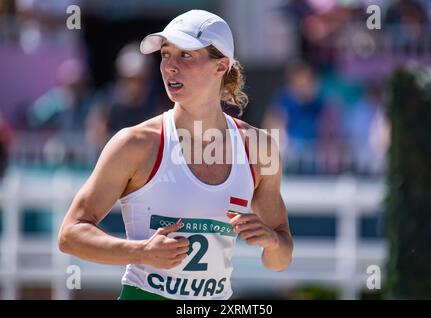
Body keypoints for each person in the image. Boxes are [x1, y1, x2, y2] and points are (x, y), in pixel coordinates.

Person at [58, 9, 293, 300]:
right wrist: (142, 251)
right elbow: (70, 235)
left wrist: (271, 242)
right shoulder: (135, 143)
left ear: (221, 67)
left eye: (186, 56)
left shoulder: (258, 148)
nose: (169, 66)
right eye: (166, 54)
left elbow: (280, 260)